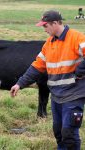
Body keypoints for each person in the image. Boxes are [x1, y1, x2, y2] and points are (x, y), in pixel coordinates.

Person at [10, 10, 85, 150]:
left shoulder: (76, 37)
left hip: (74, 94)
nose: (44, 29)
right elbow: (37, 66)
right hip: (56, 95)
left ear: (55, 23)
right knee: (58, 131)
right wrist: (20, 83)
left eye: (45, 26)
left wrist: (82, 68)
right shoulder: (49, 43)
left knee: (68, 132)